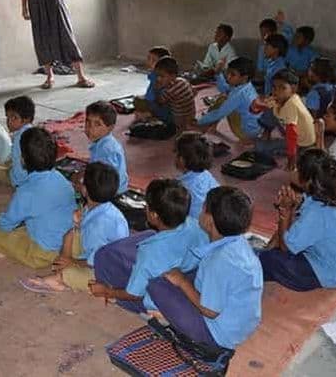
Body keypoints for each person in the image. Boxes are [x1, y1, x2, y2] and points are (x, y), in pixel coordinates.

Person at [147, 186, 262, 350]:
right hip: (241, 324)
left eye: (203, 207)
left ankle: (180, 325)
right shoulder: (240, 244)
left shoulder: (218, 260)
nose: (200, 210)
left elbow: (210, 311)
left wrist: (181, 282)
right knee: (188, 274)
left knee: (156, 284)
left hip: (217, 334)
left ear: (209, 222)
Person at [89, 179, 208, 313]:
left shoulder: (149, 252)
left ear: (154, 215)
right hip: (189, 279)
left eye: (147, 206)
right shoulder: (196, 225)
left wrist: (107, 291)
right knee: (148, 235)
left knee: (103, 258)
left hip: (161, 299)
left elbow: (134, 295)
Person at [19, 162, 129, 293]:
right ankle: (61, 272)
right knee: (70, 236)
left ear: (84, 190)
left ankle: (60, 278)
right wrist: (77, 224)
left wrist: (73, 262)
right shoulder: (104, 208)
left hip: (108, 273)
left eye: (82, 181)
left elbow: (98, 261)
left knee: (71, 272)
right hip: (100, 256)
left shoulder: (97, 226)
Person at [258, 149, 336, 291]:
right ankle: (261, 262)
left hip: (329, 275)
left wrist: (285, 212)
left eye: (298, 168)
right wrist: (290, 209)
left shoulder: (319, 214)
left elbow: (286, 248)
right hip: (331, 264)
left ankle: (253, 271)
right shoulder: (326, 197)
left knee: (270, 259)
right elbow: (294, 227)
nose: (294, 170)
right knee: (272, 252)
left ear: (308, 181)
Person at [0, 127, 77, 267]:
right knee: (27, 225)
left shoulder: (26, 191)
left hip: (41, 253)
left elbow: (6, 225)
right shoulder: (63, 180)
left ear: (23, 160)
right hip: (69, 244)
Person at [254, 69, 316, 170]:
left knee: (260, 148)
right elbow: (255, 110)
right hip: (292, 136)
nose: (276, 91)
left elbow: (292, 134)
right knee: (270, 110)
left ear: (293, 89)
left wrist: (291, 161)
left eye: (282, 88)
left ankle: (292, 154)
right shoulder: (281, 98)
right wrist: (258, 105)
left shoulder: (292, 105)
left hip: (302, 145)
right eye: (274, 87)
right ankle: (270, 139)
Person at [196, 57, 261, 141]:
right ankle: (210, 124)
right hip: (255, 129)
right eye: (228, 73)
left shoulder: (239, 94)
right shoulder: (246, 86)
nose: (228, 77)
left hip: (247, 133)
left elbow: (219, 113)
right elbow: (225, 89)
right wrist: (218, 74)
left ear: (244, 77)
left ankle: (247, 140)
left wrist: (198, 122)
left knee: (223, 103)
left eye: (233, 74)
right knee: (224, 98)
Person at [86, 101, 129, 194]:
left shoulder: (106, 150)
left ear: (110, 128)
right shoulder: (103, 143)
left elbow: (105, 182)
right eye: (88, 122)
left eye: (97, 124)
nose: (90, 128)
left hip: (111, 194)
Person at [175, 132, 220, 219]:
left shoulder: (181, 187)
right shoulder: (207, 176)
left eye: (176, 152)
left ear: (181, 160)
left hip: (194, 228)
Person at [154, 57, 196, 135]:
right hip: (192, 113)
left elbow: (160, 102)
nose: (158, 79)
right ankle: (189, 124)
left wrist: (157, 90)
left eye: (162, 76)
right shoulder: (183, 80)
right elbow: (194, 91)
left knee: (157, 108)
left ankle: (181, 133)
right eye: (157, 76)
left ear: (173, 76)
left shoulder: (169, 91)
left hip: (180, 118)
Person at [134, 46, 171, 123]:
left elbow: (152, 97)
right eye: (148, 59)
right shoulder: (170, 73)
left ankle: (149, 115)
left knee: (137, 100)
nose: (150, 62)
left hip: (163, 110)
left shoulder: (156, 77)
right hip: (170, 109)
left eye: (153, 60)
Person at [5, 96, 35, 188]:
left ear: (26, 119)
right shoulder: (33, 131)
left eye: (14, 117)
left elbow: (19, 171)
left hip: (20, 181)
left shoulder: (20, 138)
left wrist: (15, 180)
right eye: (7, 117)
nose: (9, 121)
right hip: (31, 178)